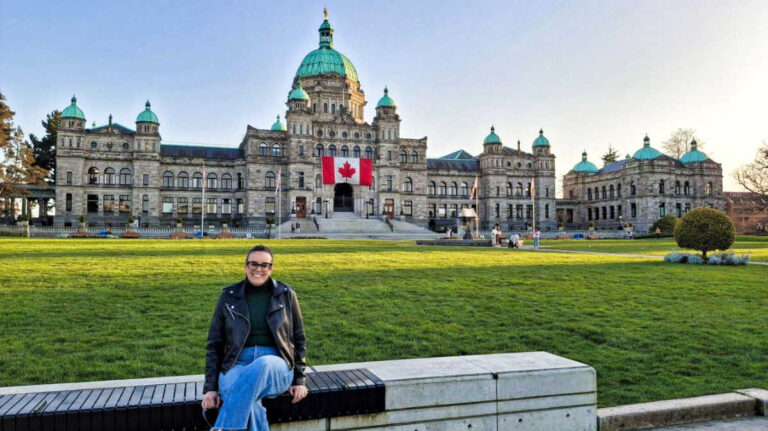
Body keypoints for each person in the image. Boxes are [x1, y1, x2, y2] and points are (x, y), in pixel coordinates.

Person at [202, 245, 307, 431]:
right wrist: (210, 388)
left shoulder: (286, 295)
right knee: (248, 401)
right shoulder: (228, 297)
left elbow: (298, 339)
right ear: (245, 266)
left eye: (265, 265)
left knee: (262, 364)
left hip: (276, 364)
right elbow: (214, 344)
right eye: (253, 264)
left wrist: (300, 380)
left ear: (271, 268)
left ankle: (223, 428)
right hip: (237, 363)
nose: (259, 269)